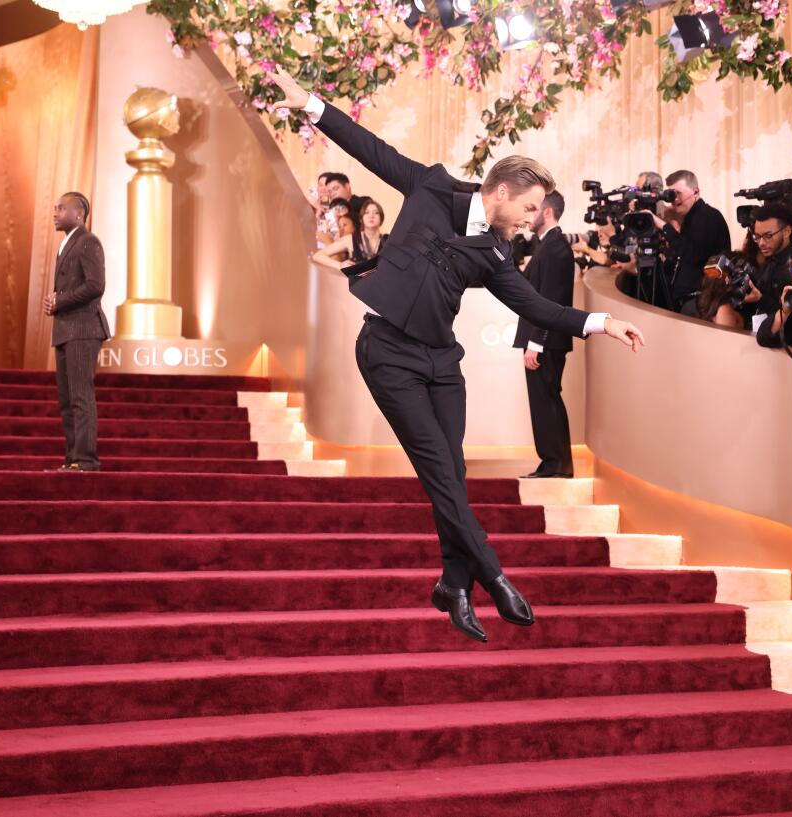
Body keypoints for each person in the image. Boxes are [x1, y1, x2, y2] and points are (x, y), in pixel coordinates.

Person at [269, 68, 645, 642]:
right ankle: (493, 577)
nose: (534, 217)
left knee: (454, 475)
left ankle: (452, 583)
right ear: (501, 192)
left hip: (443, 365)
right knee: (438, 473)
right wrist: (311, 106)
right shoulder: (431, 187)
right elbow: (369, 148)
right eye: (531, 205)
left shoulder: (496, 252)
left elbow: (536, 305)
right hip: (388, 353)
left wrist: (601, 321)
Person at [43, 192, 110, 472]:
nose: (55, 212)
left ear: (78, 214)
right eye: (55, 208)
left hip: (83, 328)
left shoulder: (88, 241)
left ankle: (86, 460)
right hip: (65, 329)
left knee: (81, 395)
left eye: (61, 208)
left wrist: (60, 300)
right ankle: (72, 459)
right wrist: (56, 303)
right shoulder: (66, 244)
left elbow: (96, 286)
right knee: (67, 399)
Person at [512, 191, 577, 479]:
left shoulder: (556, 248)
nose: (528, 215)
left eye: (533, 209)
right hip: (542, 340)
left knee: (546, 399)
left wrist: (536, 342)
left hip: (546, 341)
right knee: (543, 399)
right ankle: (553, 461)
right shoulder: (545, 246)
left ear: (547, 211)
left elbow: (550, 301)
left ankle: (557, 463)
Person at [650, 170, 731, 314]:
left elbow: (694, 254)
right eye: (671, 195)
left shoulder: (708, 216)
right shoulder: (691, 219)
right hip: (690, 302)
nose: (674, 199)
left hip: (702, 304)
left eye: (678, 193)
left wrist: (663, 225)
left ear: (696, 191)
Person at [314, 199, 386, 273]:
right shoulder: (350, 239)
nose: (371, 216)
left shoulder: (387, 240)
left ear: (381, 218)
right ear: (361, 218)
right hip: (359, 282)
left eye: (376, 213)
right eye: (367, 212)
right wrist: (340, 265)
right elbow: (318, 256)